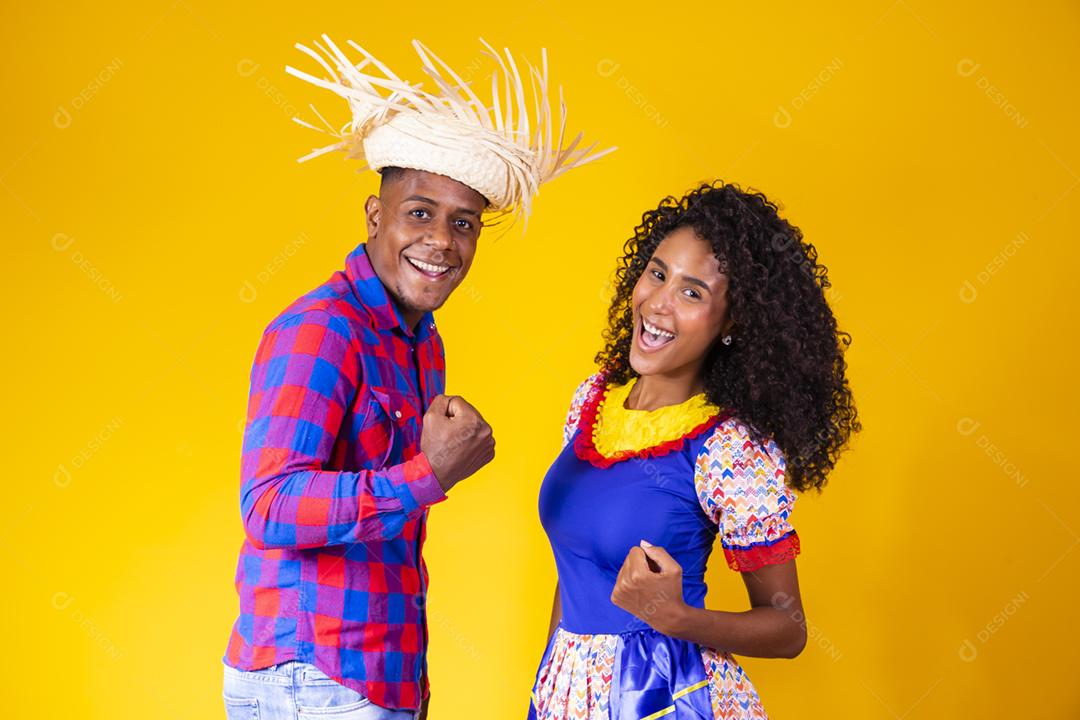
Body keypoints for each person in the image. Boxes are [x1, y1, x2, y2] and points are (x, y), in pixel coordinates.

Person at [222, 35, 612, 720]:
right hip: (311, 677)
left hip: (379, 675)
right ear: (376, 216)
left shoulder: (421, 343)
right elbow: (269, 506)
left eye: (463, 224)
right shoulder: (324, 328)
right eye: (420, 213)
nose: (441, 241)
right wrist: (428, 472)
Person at [528, 181, 860, 719]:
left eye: (692, 292)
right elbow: (572, 575)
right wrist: (549, 686)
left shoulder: (729, 450)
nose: (659, 303)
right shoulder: (590, 403)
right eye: (657, 273)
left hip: (668, 695)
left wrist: (677, 617)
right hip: (568, 693)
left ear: (730, 323)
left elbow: (788, 628)